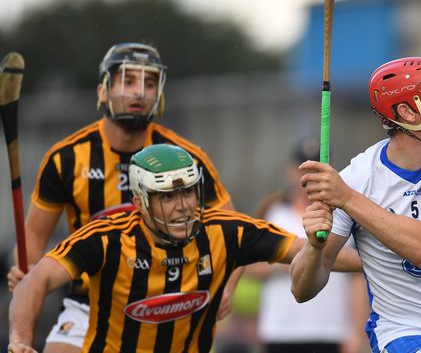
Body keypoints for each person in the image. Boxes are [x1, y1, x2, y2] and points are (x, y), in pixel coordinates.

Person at [7, 144, 362, 353]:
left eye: (188, 192)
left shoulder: (225, 231)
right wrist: (20, 340)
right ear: (140, 202)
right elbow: (34, 282)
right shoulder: (105, 238)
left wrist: (361, 258)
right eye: (166, 196)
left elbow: (321, 253)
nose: (182, 206)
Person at [5, 43, 237, 353]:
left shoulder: (188, 159)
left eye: (149, 83)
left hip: (166, 304)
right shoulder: (66, 158)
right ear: (103, 90)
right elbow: (32, 239)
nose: (139, 92)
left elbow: (234, 231)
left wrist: (225, 288)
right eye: (128, 81)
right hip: (89, 304)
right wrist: (25, 269)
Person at [290, 57, 421, 352]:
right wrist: (313, 247)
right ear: (407, 112)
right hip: (402, 335)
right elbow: (301, 289)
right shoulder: (357, 178)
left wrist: (348, 199)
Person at [238, 138, 368, 353]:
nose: (309, 177)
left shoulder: (343, 215)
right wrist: (298, 262)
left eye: (317, 169)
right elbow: (249, 264)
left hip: (331, 330)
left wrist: (356, 332)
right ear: (289, 170)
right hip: (280, 330)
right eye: (303, 169)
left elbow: (357, 275)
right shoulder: (273, 213)